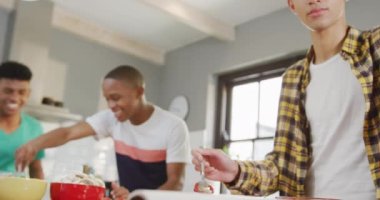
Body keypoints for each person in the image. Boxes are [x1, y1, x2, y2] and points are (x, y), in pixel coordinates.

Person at [192, 0, 380, 199]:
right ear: (292, 5)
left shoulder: (375, 46)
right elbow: (283, 166)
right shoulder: (293, 78)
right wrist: (235, 171)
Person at [16, 65, 191, 199]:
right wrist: (33, 145)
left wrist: (138, 198)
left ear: (139, 92)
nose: (111, 106)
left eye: (116, 98)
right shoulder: (111, 118)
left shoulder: (173, 126)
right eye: (107, 99)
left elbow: (175, 183)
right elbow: (67, 133)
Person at [0, 61, 45, 179]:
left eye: (22, 92)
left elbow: (36, 170)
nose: (15, 98)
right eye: (8, 91)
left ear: (28, 94)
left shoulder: (34, 128)